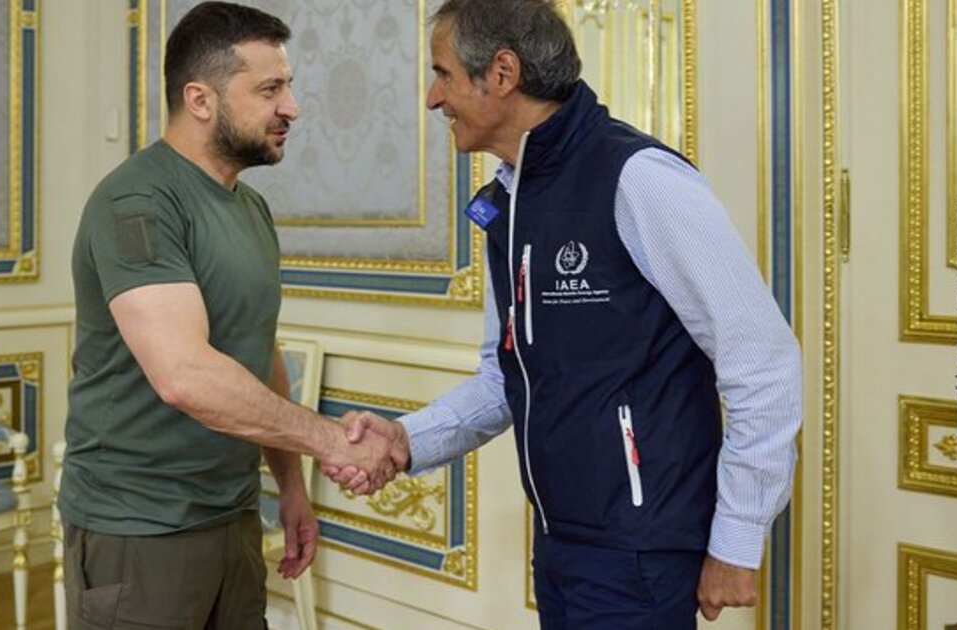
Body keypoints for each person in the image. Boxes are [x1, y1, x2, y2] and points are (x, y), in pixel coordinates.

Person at [324, 0, 802, 627]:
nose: (433, 98)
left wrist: (736, 541)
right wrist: (406, 440)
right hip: (560, 544)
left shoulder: (638, 178)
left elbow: (763, 362)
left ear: (502, 73)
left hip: (641, 554)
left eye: (443, 74)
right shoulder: (506, 201)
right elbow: (504, 378)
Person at [58, 3, 403, 628]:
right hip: (139, 528)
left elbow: (257, 350)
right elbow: (184, 376)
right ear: (200, 99)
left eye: (288, 86)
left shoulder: (251, 210)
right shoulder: (136, 202)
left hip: (233, 514)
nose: (292, 107)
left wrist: (290, 487)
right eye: (270, 89)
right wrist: (332, 440)